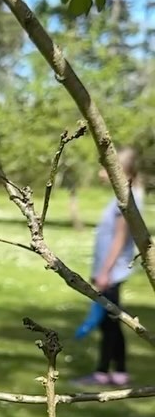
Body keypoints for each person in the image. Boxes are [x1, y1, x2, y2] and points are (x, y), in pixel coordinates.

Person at [74, 147, 145, 388]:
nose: (100, 173)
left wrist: (104, 272)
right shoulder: (124, 195)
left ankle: (103, 372)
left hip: (112, 272)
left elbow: (119, 239)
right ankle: (120, 371)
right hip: (111, 270)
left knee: (109, 323)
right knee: (112, 321)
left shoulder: (127, 198)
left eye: (105, 167)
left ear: (121, 170)